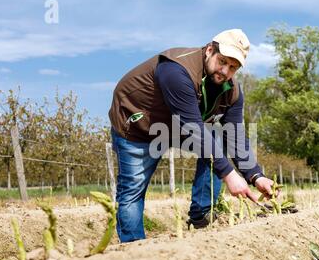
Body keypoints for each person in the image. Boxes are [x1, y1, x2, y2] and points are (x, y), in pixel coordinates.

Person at [109, 29, 278, 243]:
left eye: (233, 67)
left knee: (216, 139)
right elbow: (194, 129)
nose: (225, 71)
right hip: (139, 124)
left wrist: (255, 176)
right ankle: (134, 248)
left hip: (176, 125)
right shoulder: (176, 69)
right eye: (222, 61)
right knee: (133, 190)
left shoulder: (232, 91)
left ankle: (201, 216)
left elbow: (234, 135)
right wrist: (229, 174)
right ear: (209, 50)